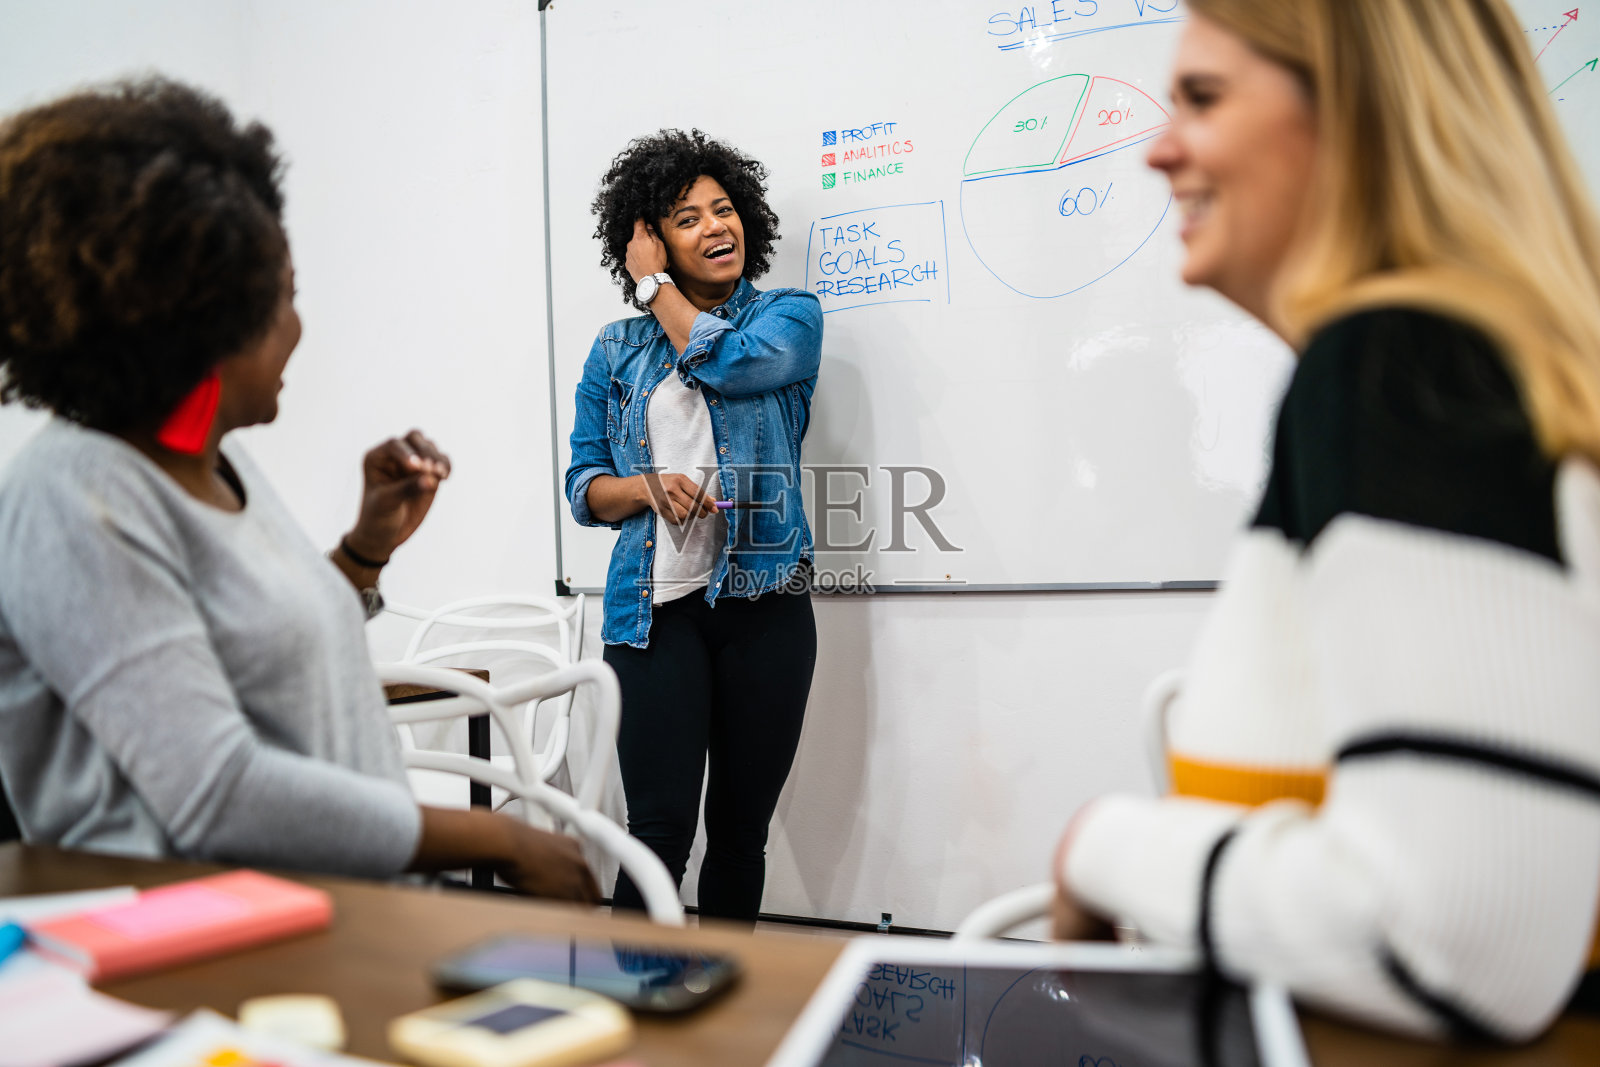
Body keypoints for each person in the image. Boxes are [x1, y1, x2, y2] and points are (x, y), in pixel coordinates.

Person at [1050, 0, 1600, 1042]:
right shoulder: (1477, 364)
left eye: (1204, 100)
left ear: (1359, 114)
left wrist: (1106, 844)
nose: (1159, 151)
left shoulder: (1403, 365)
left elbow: (1456, 937)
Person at [0, 78, 598, 902]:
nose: (298, 328)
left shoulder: (216, 460)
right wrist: (493, 835)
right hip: (193, 960)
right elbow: (215, 789)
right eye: (283, 298)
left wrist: (363, 551)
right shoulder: (75, 495)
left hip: (324, 922)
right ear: (198, 322)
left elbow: (251, 647)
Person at [565, 129, 821, 923]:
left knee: (741, 835)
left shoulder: (789, 318)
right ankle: (641, 1019)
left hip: (766, 605)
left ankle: (724, 1028)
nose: (717, 227)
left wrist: (655, 291)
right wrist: (642, 486)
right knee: (656, 834)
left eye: (724, 209)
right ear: (650, 240)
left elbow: (730, 363)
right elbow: (583, 486)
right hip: (652, 616)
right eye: (686, 217)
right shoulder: (615, 351)